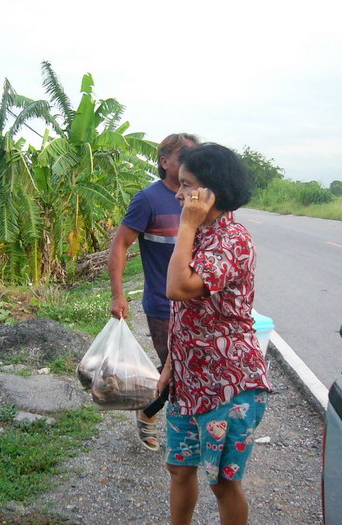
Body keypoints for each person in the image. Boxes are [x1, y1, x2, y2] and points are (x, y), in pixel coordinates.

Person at [159, 143, 272, 525]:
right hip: (190, 382)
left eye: (187, 185)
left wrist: (187, 224)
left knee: (223, 483)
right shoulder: (202, 234)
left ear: (211, 192)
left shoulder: (232, 239)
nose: (178, 193)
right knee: (179, 468)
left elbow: (178, 288)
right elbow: (186, 313)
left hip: (228, 384)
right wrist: (173, 362)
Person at [108, 133, 199, 451]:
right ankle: (150, 414)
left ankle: (176, 420)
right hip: (164, 306)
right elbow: (120, 245)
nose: (192, 161)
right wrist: (118, 295)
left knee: (194, 368)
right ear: (164, 162)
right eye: (184, 156)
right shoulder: (148, 199)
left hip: (200, 306)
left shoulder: (201, 198)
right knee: (176, 371)